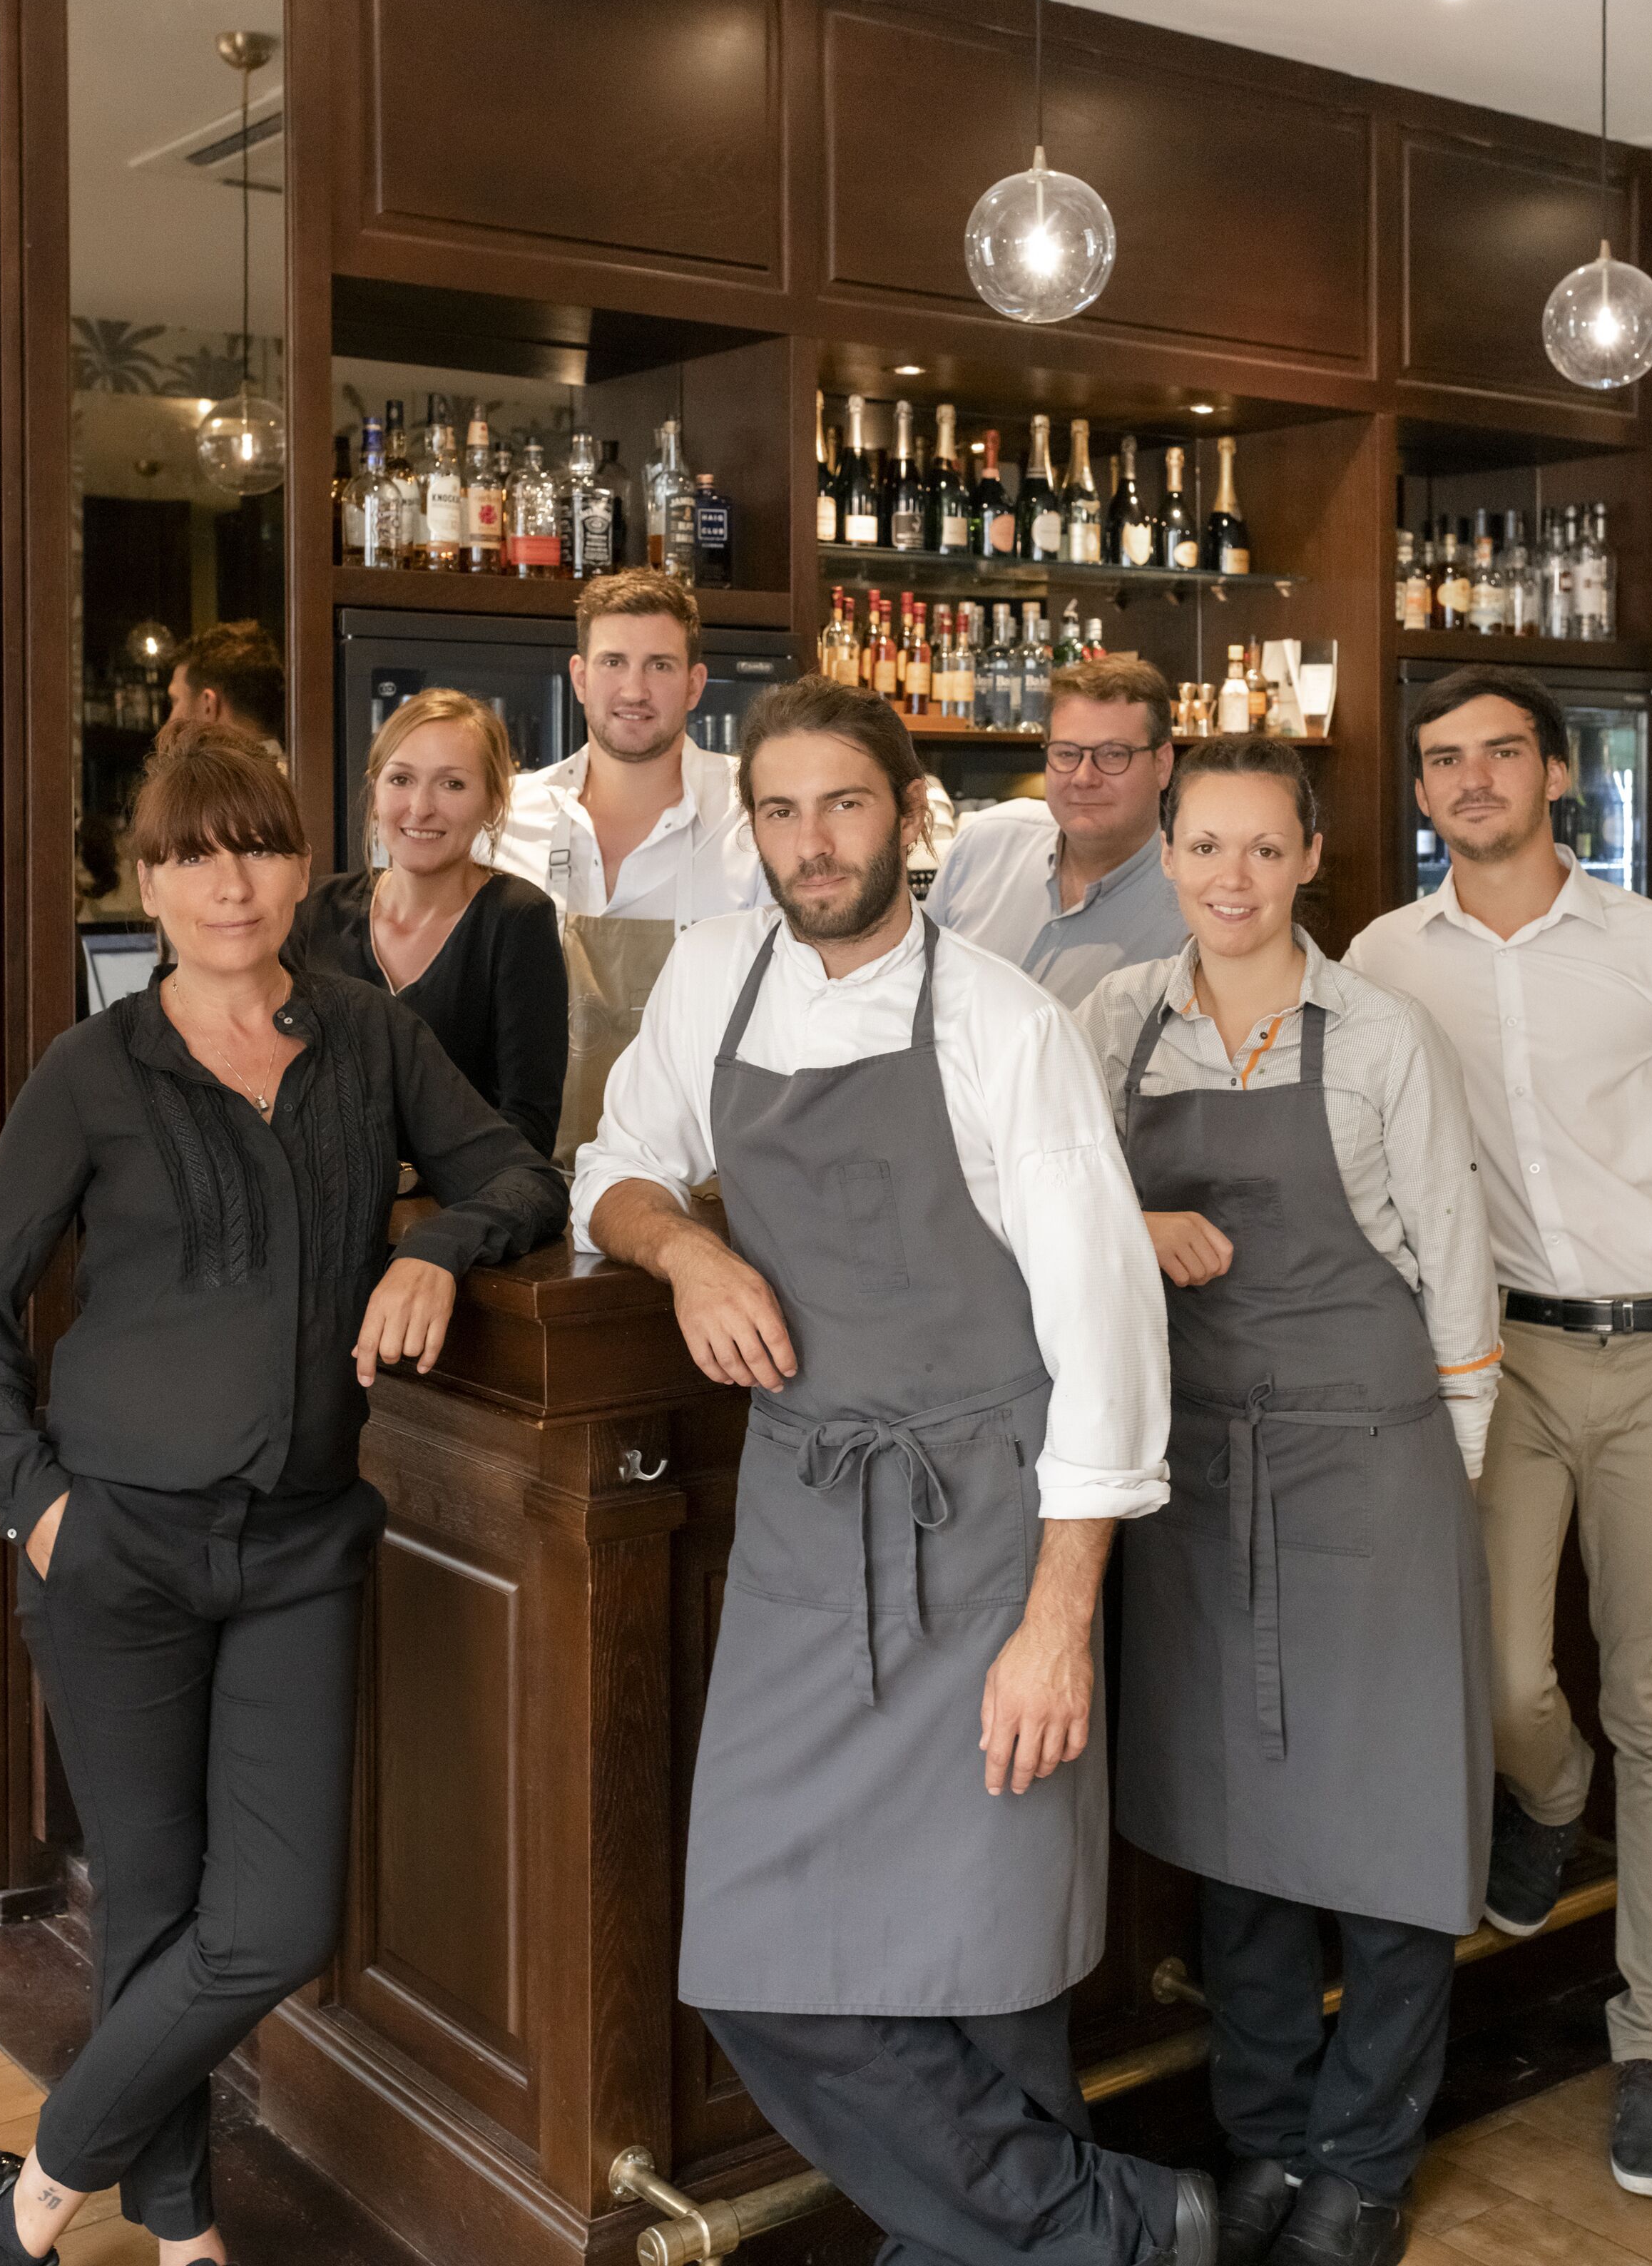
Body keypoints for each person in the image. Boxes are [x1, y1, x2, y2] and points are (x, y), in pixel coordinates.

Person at [572, 676, 1215, 2266]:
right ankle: (1119, 2226)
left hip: (990, 1528)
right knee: (755, 1963)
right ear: (754, 832)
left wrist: (1056, 1620)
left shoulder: (1001, 1024)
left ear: (908, 818)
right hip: (805, 1523)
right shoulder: (714, 982)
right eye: (779, 811)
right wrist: (681, 1259)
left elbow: (1108, 1342)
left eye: (843, 805)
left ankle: (992, 2243)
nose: (811, 841)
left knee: (986, 1963)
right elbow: (613, 1161)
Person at [0, 730, 566, 2266]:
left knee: (275, 1923)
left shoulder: (370, 1037)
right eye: (192, 854)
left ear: (305, 866)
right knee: (155, 1907)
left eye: (260, 847)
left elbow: (519, 1173)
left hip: (299, 1544)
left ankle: (16, 2200)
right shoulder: (96, 1069)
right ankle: (182, 2234)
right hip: (114, 1548)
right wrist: (32, 1504)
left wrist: (433, 1247)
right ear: (146, 879)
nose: (231, 881)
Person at [1346, 666, 1652, 2201]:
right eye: (1441, 761)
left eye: (1498, 754)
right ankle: (1545, 1795)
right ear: (1416, 792)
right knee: (1507, 1676)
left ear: (1552, 780)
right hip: (1497, 1353)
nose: (1469, 780)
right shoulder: (1381, 958)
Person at [1079, 735, 1498, 2266]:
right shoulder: (1110, 1022)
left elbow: (1453, 1264)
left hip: (1372, 1460)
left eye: (1263, 849)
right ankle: (1262, 2135)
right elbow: (1025, 1191)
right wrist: (1132, 1213)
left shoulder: (1380, 1035)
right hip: (1191, 1469)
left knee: (1389, 1832)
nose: (1231, 878)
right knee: (1232, 1824)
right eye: (1204, 847)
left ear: (1311, 858)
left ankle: (1363, 2159)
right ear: (1167, 856)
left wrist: (1440, 1483)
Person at [492, 570, 765, 1163]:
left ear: (695, 685)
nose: (635, 690)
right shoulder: (505, 817)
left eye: (660, 666)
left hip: (706, 1177)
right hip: (528, 1176)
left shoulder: (757, 812)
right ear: (580, 678)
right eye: (614, 662)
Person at [285, 688, 566, 1155]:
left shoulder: (517, 919)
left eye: (452, 784)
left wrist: (403, 1181)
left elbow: (528, 1128)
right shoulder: (314, 908)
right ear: (374, 792)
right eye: (400, 780)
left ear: (493, 804)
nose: (420, 808)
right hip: (323, 1212)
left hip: (458, 1216)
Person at [925, 658, 1185, 1008]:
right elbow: (913, 988)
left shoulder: (1194, 907)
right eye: (1066, 754)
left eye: (1112, 755)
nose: (1084, 777)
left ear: (1162, 764)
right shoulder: (983, 844)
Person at [160, 618, 286, 753]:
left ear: (208, 705)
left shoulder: (201, 775)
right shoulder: (301, 772)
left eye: (175, 700)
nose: (170, 721)